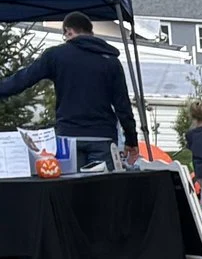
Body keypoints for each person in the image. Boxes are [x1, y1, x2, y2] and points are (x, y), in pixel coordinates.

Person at [0, 12, 137, 168]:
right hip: (102, 137)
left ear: (68, 31)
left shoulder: (56, 56)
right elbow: (122, 106)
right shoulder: (111, 62)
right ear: (90, 32)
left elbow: (23, 79)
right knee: (102, 190)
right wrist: (131, 139)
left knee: (69, 189)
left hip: (68, 137)